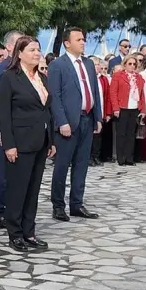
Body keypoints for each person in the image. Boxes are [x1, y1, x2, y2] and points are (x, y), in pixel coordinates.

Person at [0, 35, 54, 252]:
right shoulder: (9, 78)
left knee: (33, 190)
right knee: (17, 190)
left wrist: (52, 140)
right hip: (20, 142)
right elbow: (3, 114)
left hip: (40, 140)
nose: (37, 53)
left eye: (38, 50)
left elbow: (47, 110)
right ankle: (15, 233)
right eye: (32, 50)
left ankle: (29, 232)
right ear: (19, 53)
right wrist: (9, 144)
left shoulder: (42, 78)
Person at [47, 27, 101, 222]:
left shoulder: (88, 63)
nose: (83, 42)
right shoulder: (58, 65)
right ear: (67, 43)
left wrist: (98, 117)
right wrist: (62, 122)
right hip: (68, 122)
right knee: (62, 166)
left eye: (83, 39)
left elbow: (94, 92)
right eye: (78, 39)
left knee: (81, 165)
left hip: (87, 119)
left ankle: (77, 204)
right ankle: (58, 205)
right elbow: (55, 96)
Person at [0, 30, 23, 229]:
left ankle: (16, 210)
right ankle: (0, 212)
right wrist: (2, 130)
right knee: (5, 174)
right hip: (6, 129)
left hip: (23, 128)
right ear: (8, 46)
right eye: (18, 42)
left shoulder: (25, 67)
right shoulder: (2, 69)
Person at [109, 55, 145, 166]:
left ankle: (129, 158)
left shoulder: (139, 78)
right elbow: (113, 92)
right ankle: (121, 158)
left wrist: (143, 110)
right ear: (124, 64)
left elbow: (142, 95)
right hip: (122, 108)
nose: (132, 66)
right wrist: (115, 108)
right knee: (121, 134)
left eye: (134, 64)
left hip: (134, 108)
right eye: (130, 64)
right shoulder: (118, 76)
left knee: (131, 134)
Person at [89, 56, 112, 166]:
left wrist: (107, 113)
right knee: (90, 136)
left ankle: (96, 156)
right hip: (90, 112)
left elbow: (107, 97)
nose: (97, 67)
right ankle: (89, 157)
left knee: (99, 135)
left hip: (101, 111)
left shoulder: (103, 79)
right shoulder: (88, 79)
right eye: (95, 64)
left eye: (98, 64)